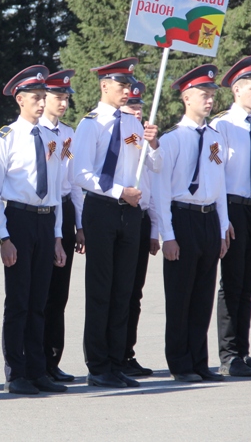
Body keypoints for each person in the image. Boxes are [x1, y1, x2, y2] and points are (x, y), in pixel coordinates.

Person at [73, 58, 161, 389]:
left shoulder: (134, 124)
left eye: (130, 86)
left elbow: (154, 167)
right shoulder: (90, 125)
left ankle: (116, 360)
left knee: (123, 290)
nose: (128, 91)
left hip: (131, 212)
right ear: (104, 86)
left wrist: (153, 144)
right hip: (103, 209)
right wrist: (119, 190)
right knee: (101, 290)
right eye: (122, 86)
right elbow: (79, 173)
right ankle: (98, 365)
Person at [0, 65, 68, 395]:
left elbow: (58, 189)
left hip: (47, 221)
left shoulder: (53, 138)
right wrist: (4, 238)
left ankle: (37, 370)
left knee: (40, 301)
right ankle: (16, 372)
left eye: (43, 97)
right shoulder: (4, 138)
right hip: (18, 220)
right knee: (19, 301)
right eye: (36, 97)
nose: (41, 102)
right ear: (20, 100)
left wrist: (59, 237)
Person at [153, 64, 229, 383]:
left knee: (202, 296)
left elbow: (219, 182)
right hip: (182, 217)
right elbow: (160, 191)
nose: (209, 100)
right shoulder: (172, 139)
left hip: (209, 218)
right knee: (180, 296)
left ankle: (200, 361)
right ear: (186, 97)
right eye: (203, 94)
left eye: (212, 95)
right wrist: (167, 235)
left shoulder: (215, 137)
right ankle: (180, 363)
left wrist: (223, 226)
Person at [210, 56, 251, 378]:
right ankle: (229, 355)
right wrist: (223, 220)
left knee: (248, 285)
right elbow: (217, 177)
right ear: (236, 90)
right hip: (233, 208)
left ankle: (244, 352)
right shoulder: (221, 125)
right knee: (232, 284)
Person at [39, 70, 85, 383]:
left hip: (64, 211)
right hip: (40, 211)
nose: (64, 103)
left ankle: (53, 360)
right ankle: (36, 360)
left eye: (66, 97)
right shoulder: (34, 133)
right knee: (39, 292)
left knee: (59, 293)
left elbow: (74, 183)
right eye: (58, 97)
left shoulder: (68, 135)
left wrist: (80, 225)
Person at [118, 81, 161, 378]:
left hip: (143, 216)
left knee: (135, 292)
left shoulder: (143, 136)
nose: (136, 112)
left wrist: (155, 228)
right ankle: (113, 353)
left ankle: (127, 352)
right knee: (118, 291)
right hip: (120, 213)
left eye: (139, 107)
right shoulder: (117, 134)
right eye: (130, 107)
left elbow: (156, 174)